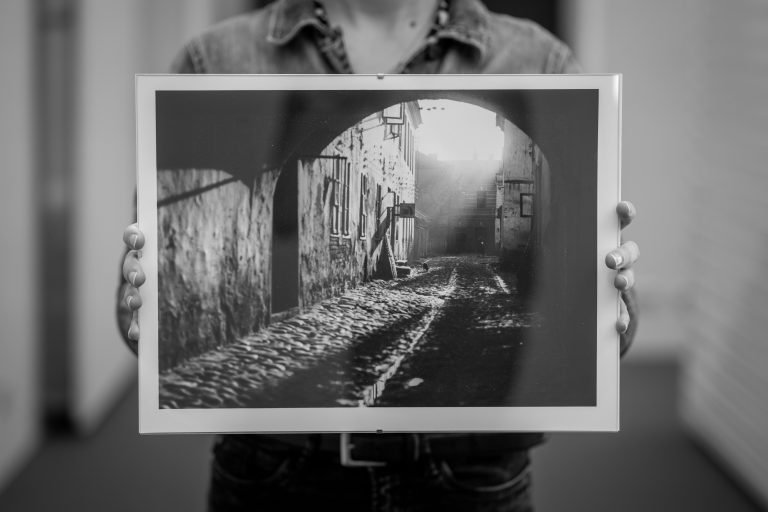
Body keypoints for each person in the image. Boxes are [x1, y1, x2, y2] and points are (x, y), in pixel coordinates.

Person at [118, 0, 639, 510]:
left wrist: (608, 310)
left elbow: (605, 328)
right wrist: (146, 312)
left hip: (471, 474)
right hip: (273, 468)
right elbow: (143, 310)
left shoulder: (538, 60)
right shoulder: (217, 60)